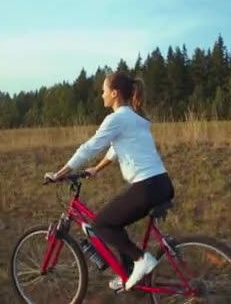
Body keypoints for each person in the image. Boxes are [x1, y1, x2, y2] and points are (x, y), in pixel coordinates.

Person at [45, 71, 175, 291]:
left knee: (101, 225)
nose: (101, 94)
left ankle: (141, 260)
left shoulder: (116, 119)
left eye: (104, 90)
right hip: (162, 184)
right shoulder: (135, 118)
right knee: (117, 223)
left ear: (115, 93)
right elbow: (116, 149)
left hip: (146, 187)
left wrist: (59, 173)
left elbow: (89, 147)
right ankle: (129, 276)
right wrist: (96, 168)